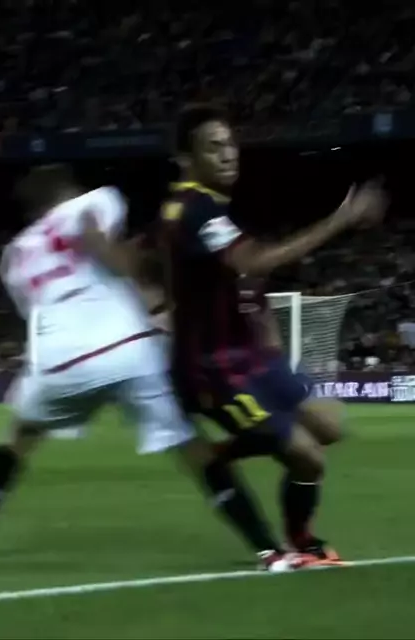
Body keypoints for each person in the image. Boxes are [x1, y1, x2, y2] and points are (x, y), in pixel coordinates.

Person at [0, 165, 305, 572]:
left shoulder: (14, 255)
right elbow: (108, 247)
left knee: (16, 438)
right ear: (70, 189)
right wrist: (147, 292)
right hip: (129, 350)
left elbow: (36, 309)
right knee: (194, 449)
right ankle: (269, 551)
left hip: (60, 361)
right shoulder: (96, 201)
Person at [159, 105, 388, 563]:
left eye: (230, 143)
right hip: (214, 370)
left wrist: (268, 338)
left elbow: (240, 280)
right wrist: (341, 219)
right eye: (213, 147)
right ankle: (301, 539)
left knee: (329, 426)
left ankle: (223, 452)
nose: (228, 154)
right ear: (186, 158)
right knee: (308, 457)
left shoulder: (212, 212)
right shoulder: (192, 210)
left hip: (253, 357)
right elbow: (256, 262)